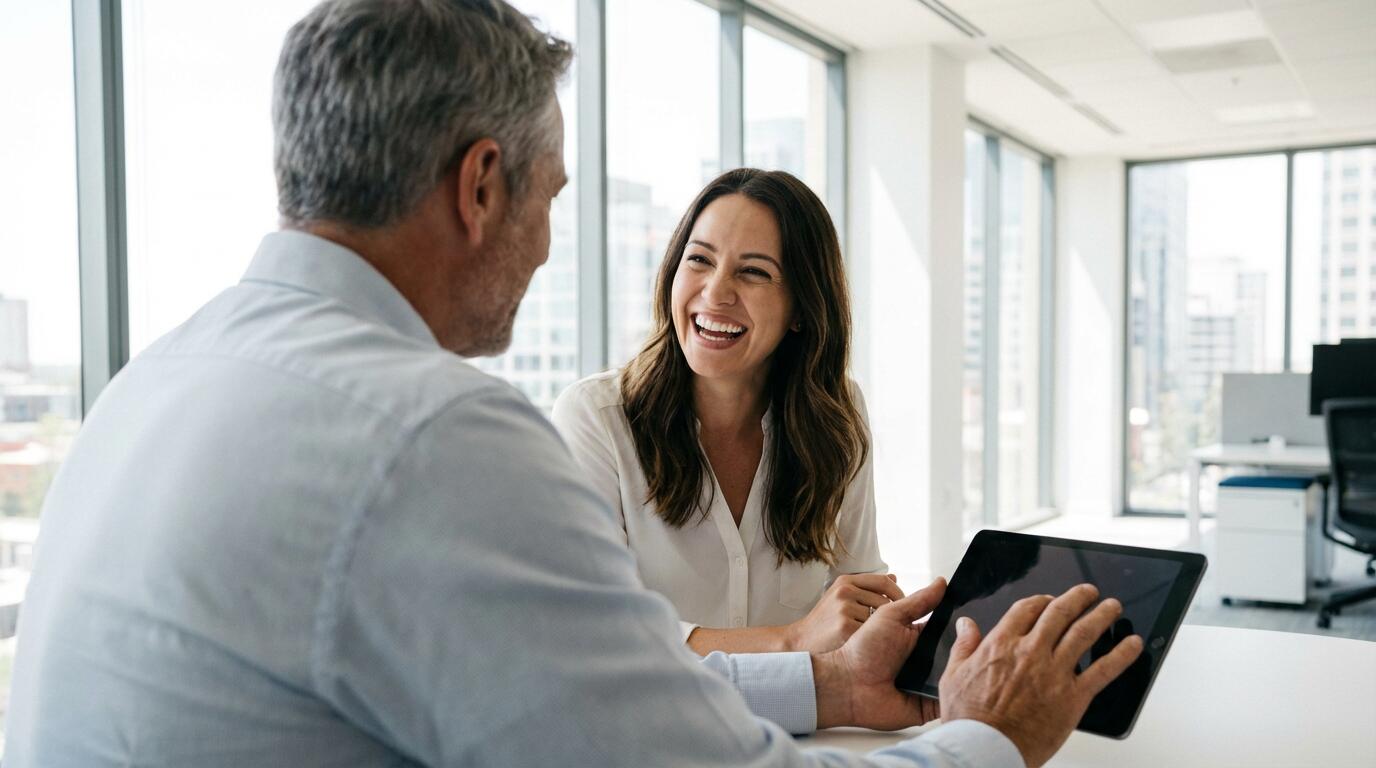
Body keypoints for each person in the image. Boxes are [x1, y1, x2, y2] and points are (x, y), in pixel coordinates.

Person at [3, 1, 1142, 766]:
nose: (548, 245)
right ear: (480, 186)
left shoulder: (159, 378)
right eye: (548, 194)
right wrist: (989, 735)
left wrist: (835, 690)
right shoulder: (433, 436)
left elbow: (592, 695)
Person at [553, 168, 901, 656]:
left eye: (753, 271)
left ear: (802, 308)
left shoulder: (837, 415)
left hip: (813, 708)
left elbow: (857, 595)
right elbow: (590, 627)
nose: (716, 293)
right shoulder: (597, 419)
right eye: (699, 259)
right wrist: (791, 639)